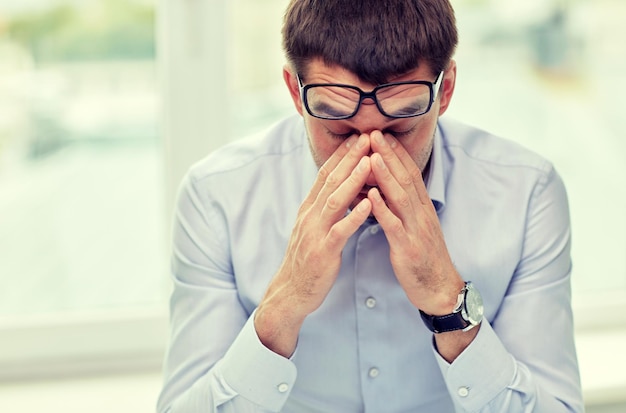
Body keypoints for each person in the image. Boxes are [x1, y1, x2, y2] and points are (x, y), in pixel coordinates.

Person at [157, 0, 583, 412]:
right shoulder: (215, 195)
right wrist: (286, 302)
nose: (369, 157)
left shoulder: (527, 192)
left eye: (399, 128)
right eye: (339, 130)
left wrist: (448, 300)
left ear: (446, 90)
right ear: (293, 90)